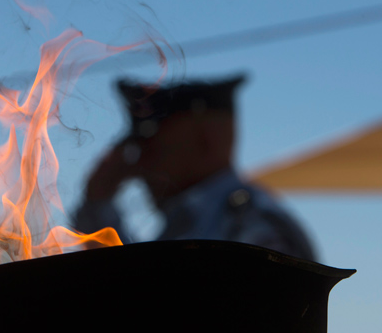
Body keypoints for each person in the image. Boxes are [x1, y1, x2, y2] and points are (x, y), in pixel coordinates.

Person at [74, 74, 316, 261]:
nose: (139, 165)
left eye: (152, 146)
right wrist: (98, 203)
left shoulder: (250, 226)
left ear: (206, 139)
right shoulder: (199, 222)